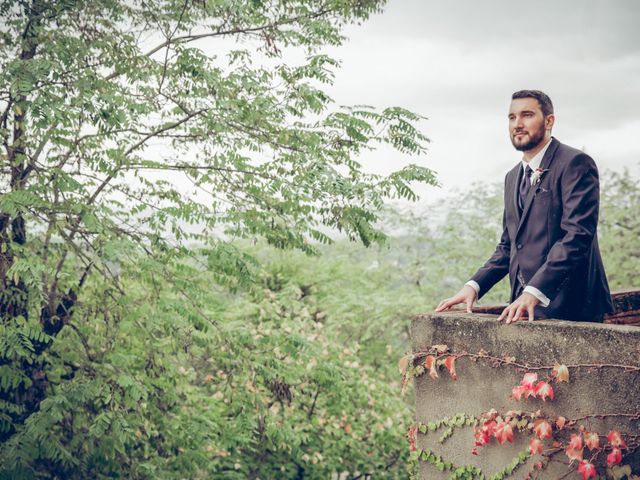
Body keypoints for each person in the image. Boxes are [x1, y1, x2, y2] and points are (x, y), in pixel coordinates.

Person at [435, 90, 614, 323]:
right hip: (524, 310)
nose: (517, 124)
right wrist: (474, 286)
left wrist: (534, 290)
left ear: (549, 121)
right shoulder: (512, 177)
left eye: (527, 115)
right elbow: (509, 246)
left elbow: (578, 235)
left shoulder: (575, 163)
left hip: (573, 309)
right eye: (512, 117)